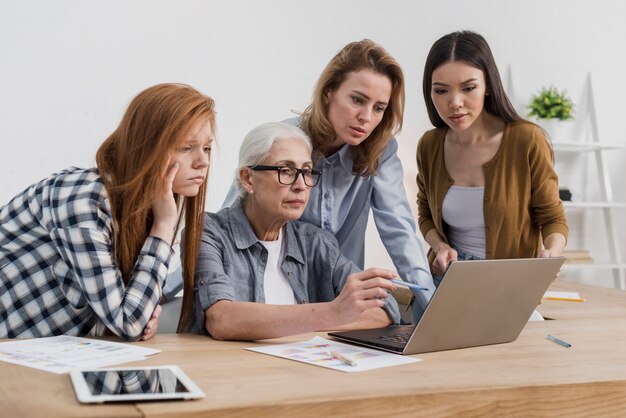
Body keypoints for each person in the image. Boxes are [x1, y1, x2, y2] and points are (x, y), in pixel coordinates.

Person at [223, 40, 434, 313]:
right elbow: (228, 223)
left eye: (379, 108)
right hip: (275, 296)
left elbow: (400, 230)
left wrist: (433, 305)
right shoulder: (284, 142)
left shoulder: (381, 152)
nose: (366, 117)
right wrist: (164, 290)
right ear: (328, 93)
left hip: (340, 297)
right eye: (357, 100)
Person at [0, 83, 215, 339]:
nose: (203, 161)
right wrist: (165, 225)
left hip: (36, 359)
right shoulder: (83, 200)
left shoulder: (144, 209)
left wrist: (144, 311)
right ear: (147, 147)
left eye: (207, 148)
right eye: (186, 147)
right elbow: (128, 323)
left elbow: (129, 317)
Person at [191, 122, 400, 340]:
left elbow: (384, 310)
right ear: (247, 179)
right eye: (286, 171)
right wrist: (335, 312)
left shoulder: (317, 243)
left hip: (302, 371)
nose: (301, 185)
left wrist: (332, 317)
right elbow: (222, 319)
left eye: (307, 171)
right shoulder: (208, 232)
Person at [416, 31, 568, 285]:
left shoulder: (527, 140)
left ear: (488, 85)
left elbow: (553, 218)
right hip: (445, 284)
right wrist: (440, 246)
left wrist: (551, 254)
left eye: (468, 88)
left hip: (510, 287)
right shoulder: (430, 145)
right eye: (441, 91)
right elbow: (425, 214)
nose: (455, 102)